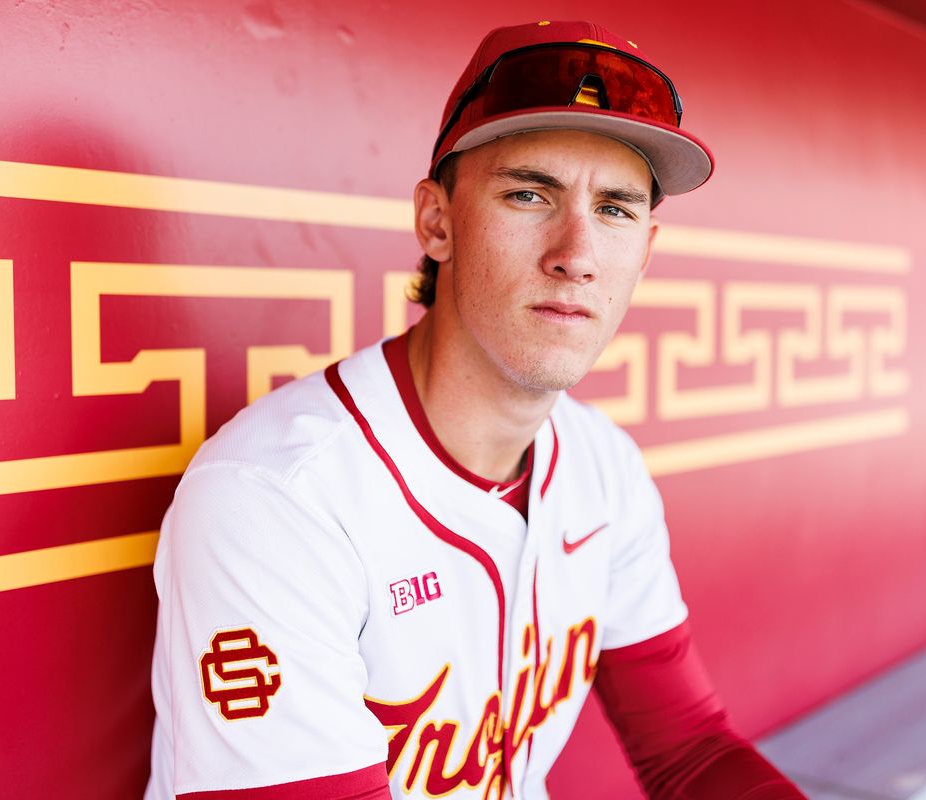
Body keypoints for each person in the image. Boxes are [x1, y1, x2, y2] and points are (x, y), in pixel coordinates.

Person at [146, 19, 806, 800]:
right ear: (437, 221)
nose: (577, 253)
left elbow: (690, 750)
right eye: (530, 194)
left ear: (646, 251)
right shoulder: (276, 497)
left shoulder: (604, 468)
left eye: (617, 210)